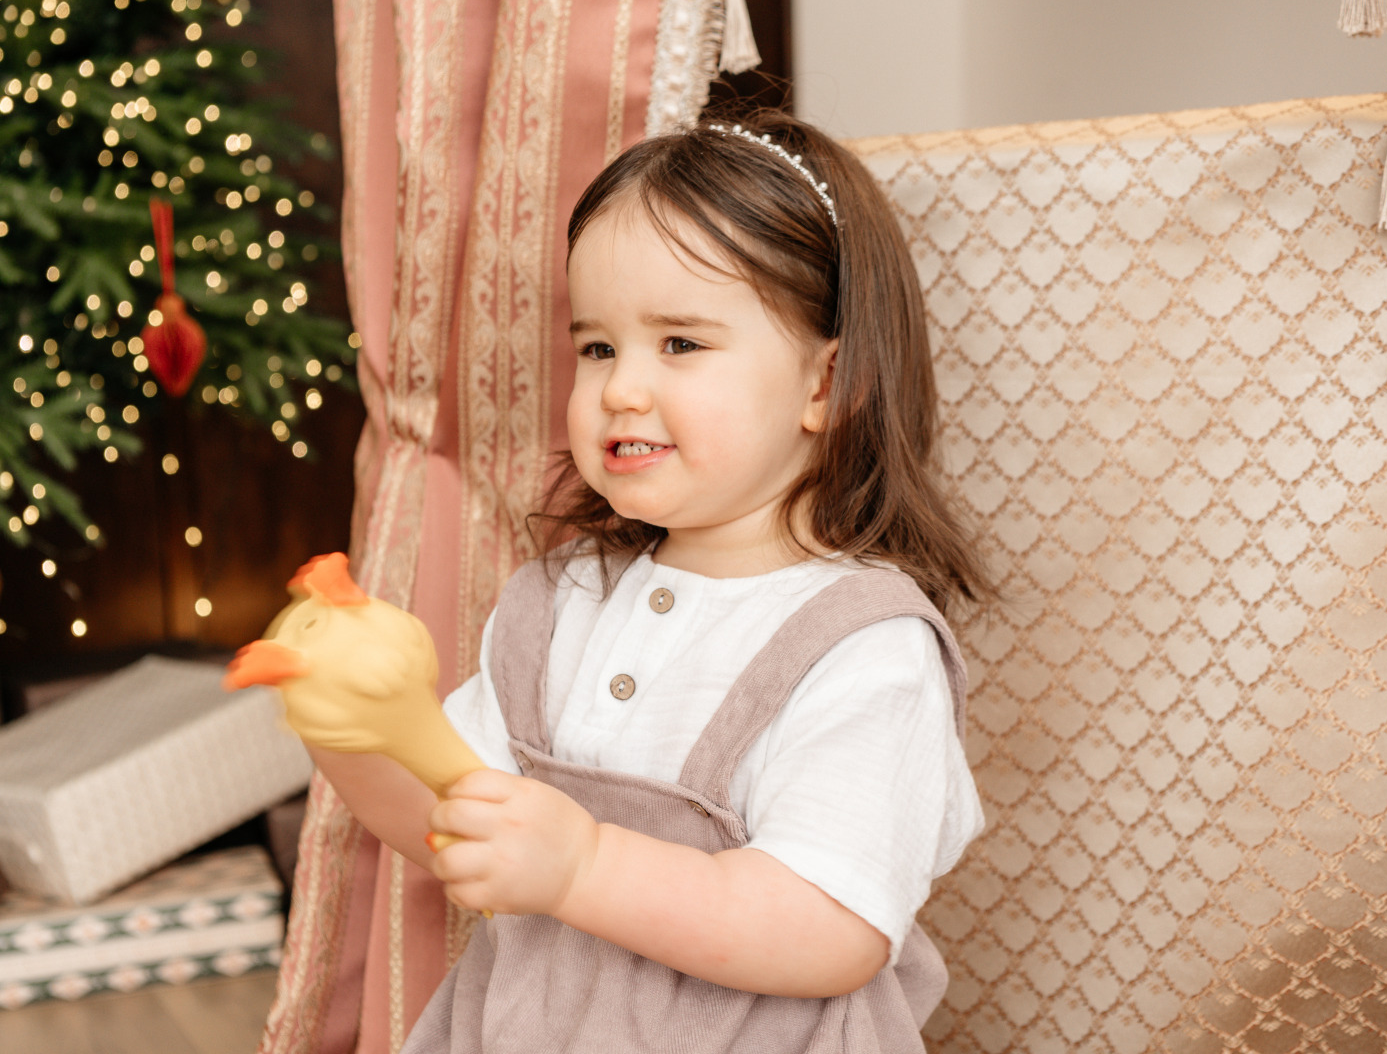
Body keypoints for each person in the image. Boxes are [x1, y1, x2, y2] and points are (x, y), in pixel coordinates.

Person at [297, 107, 993, 1053]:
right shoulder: (559, 601)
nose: (622, 387)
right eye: (597, 348)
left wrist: (582, 867)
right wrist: (354, 734)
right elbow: (451, 825)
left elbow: (829, 930)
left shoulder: (862, 646)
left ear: (826, 386)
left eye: (679, 344)